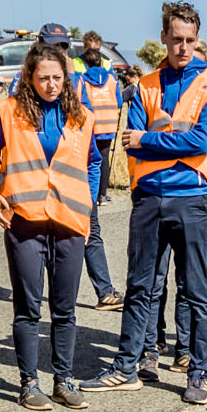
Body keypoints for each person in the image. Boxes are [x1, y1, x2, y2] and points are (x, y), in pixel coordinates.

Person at [92, 2, 207, 405]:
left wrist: (151, 140)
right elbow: (127, 141)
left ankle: (199, 372)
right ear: (164, 37)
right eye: (177, 39)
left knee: (196, 288)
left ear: (198, 40)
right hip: (149, 197)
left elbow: (200, 141)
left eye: (190, 40)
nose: (184, 47)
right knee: (140, 286)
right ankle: (127, 366)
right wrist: (162, 145)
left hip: (191, 198)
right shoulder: (145, 85)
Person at [0, 41, 92, 411]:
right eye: (43, 78)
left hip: (69, 223)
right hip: (25, 222)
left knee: (65, 308)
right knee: (28, 308)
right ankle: (29, 383)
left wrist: (87, 200)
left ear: (66, 78)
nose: (50, 85)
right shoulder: (10, 112)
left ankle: (64, 379)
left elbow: (93, 162)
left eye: (57, 78)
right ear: (29, 77)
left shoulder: (81, 116)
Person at [74, 35, 123, 310]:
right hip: (104, 132)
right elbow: (116, 99)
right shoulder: (111, 77)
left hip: (88, 137)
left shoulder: (79, 80)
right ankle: (104, 291)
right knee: (90, 232)